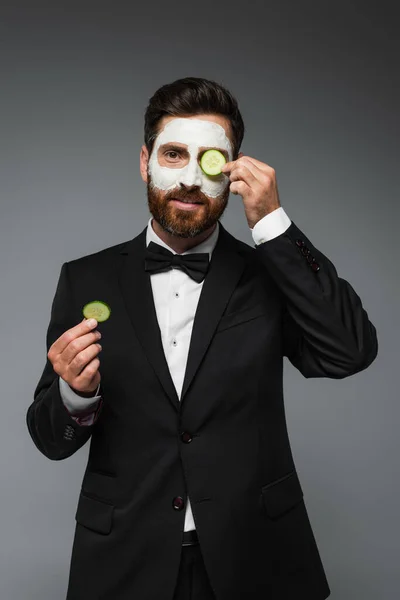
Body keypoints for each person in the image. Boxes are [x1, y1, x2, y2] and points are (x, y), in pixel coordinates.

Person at [26, 76, 378, 600]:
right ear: (145, 162)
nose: (190, 178)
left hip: (257, 555)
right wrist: (75, 394)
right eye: (173, 154)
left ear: (233, 173)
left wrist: (275, 225)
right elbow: (49, 438)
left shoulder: (267, 274)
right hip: (124, 560)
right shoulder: (85, 279)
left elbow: (350, 351)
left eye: (209, 160)